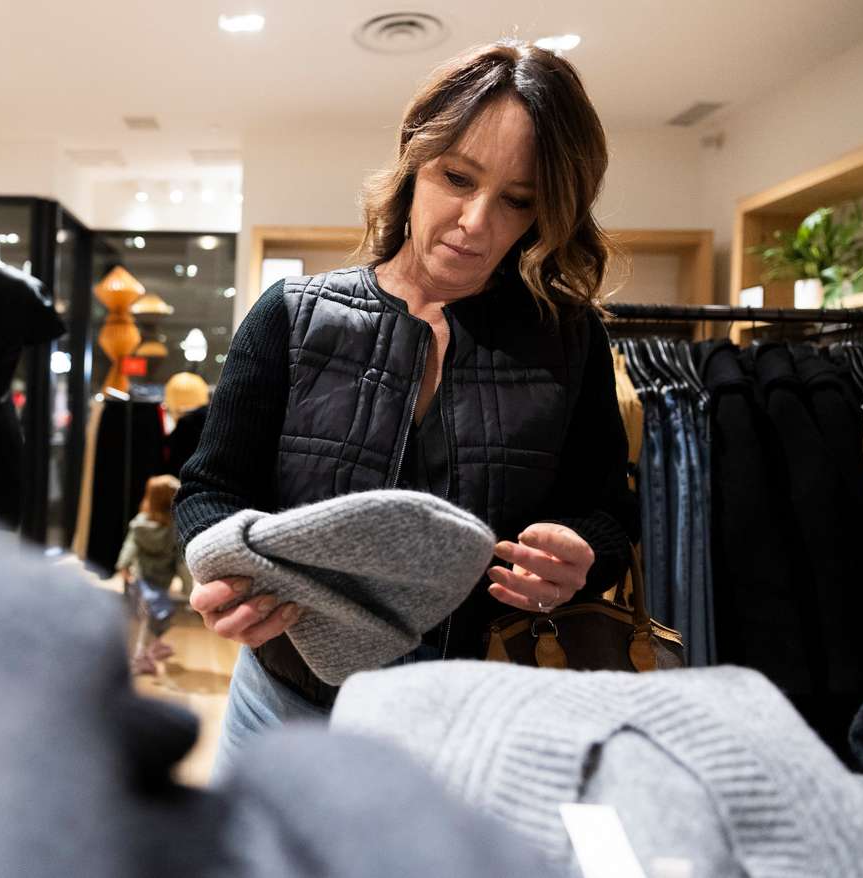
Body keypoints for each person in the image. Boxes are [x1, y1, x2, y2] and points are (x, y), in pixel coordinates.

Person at [173, 40, 639, 770]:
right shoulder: (293, 317)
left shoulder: (566, 337)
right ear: (414, 160)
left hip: (480, 718)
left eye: (519, 200)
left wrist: (581, 555)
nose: (476, 222)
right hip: (288, 706)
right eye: (457, 177)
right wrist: (221, 572)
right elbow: (210, 489)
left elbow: (608, 511)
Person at [118, 474, 193, 674]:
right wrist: (188, 589)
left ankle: (156, 646)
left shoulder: (139, 523)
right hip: (156, 582)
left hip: (140, 578)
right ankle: (139, 659)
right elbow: (181, 563)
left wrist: (123, 568)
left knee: (154, 616)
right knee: (152, 620)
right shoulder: (174, 531)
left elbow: (129, 546)